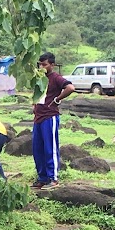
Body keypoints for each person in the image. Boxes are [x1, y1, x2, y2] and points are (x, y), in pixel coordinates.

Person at [32, 51, 73, 190]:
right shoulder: (40, 78)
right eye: (40, 64)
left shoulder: (56, 77)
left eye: (44, 65)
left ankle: (53, 179)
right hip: (38, 117)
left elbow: (70, 87)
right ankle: (42, 178)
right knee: (37, 149)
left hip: (50, 116)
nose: (42, 67)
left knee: (50, 148)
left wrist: (57, 99)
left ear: (52, 65)